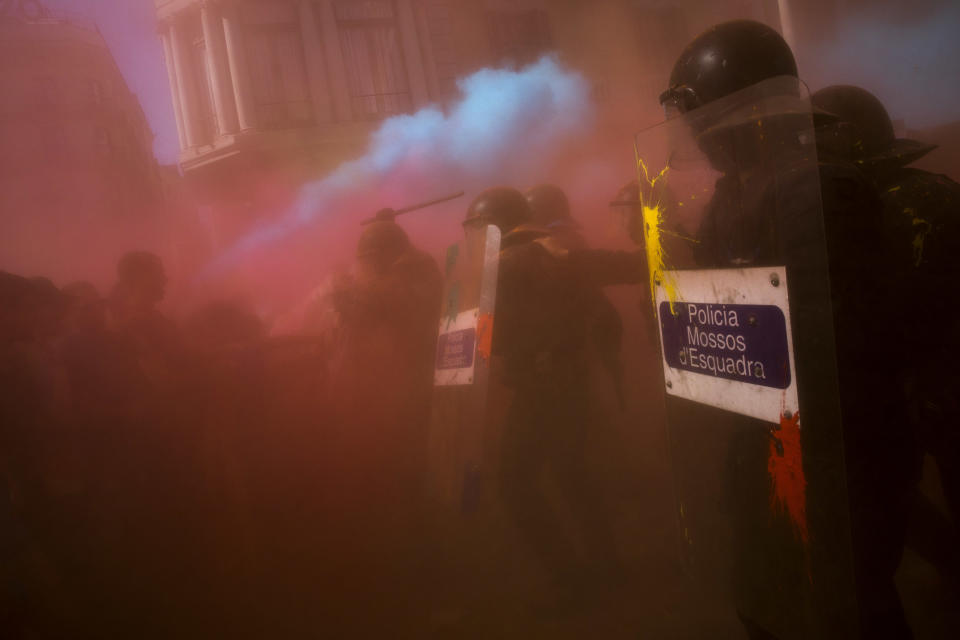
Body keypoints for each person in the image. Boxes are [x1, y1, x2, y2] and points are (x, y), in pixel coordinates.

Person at [658, 20, 913, 639]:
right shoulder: (733, 198)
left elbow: (838, 343)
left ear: (747, 113)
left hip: (834, 447)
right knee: (769, 601)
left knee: (846, 607)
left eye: (706, 122)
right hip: (767, 437)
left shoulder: (818, 189)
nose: (699, 140)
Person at [466, 187, 645, 606]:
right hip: (558, 379)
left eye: (480, 228)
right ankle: (606, 568)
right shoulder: (538, 254)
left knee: (516, 482)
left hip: (548, 384)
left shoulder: (522, 258)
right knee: (571, 474)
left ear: (495, 225)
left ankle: (573, 580)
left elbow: (609, 267)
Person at [812, 84, 960, 582]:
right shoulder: (932, 188)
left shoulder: (875, 207)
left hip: (929, 390)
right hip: (932, 389)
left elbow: (884, 313)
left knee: (890, 494)